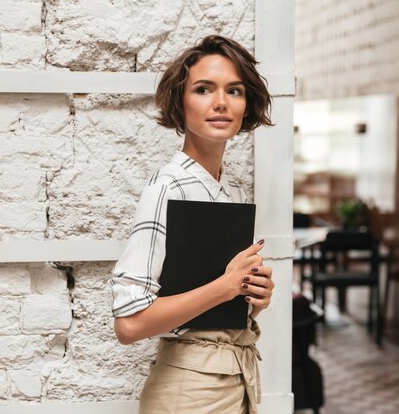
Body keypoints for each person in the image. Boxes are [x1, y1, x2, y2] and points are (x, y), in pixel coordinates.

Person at [109, 35, 275, 414]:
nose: (220, 102)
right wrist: (225, 286)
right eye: (203, 89)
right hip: (189, 392)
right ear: (180, 103)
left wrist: (252, 297)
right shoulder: (167, 186)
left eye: (234, 90)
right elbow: (129, 325)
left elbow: (207, 310)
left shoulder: (229, 188)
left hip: (235, 379)